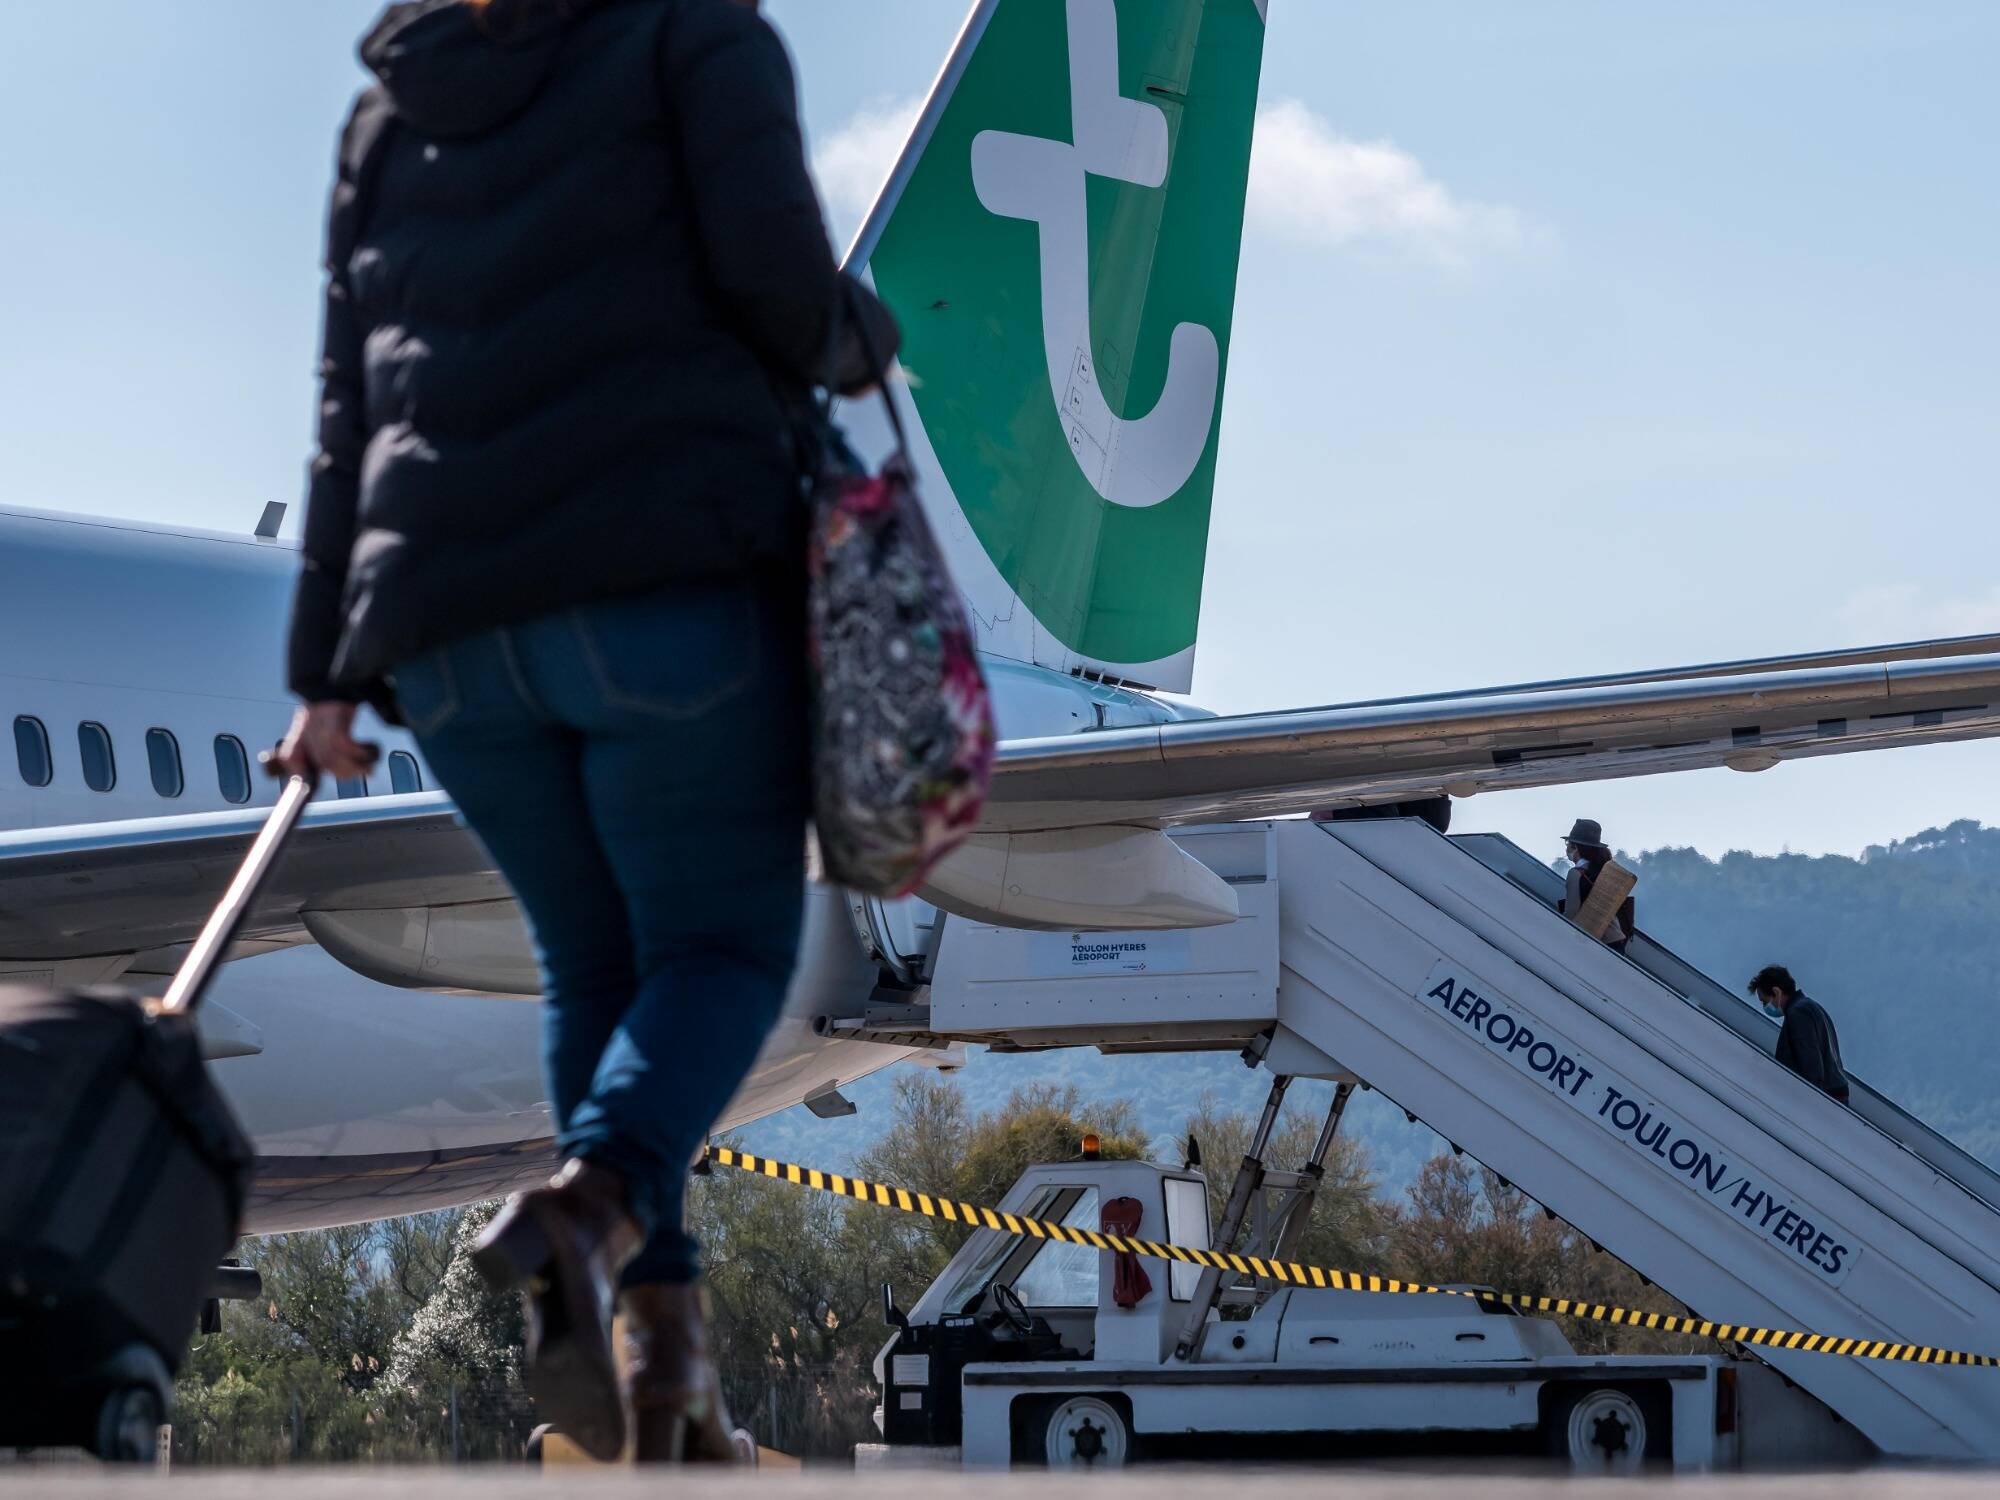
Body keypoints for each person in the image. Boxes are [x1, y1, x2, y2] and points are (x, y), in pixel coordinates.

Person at [277, 0, 897, 1464]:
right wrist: (865, 340)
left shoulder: (389, 104)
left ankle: (663, 1388)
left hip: (441, 637)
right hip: (655, 582)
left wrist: (322, 679)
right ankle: (590, 1202)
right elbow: (778, 283)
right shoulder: (694, 34)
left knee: (596, 972)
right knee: (731, 952)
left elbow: (342, 412)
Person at [1747, 965, 1851, 1104]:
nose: (1765, 1007)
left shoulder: (1797, 1014)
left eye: (1764, 1001)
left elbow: (1811, 1065)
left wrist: (1809, 1104)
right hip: (1835, 1092)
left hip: (1824, 1099)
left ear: (1776, 992)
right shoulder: (1811, 1006)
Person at [1560, 818, 1635, 950]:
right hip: (1617, 941)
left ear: (1575, 847)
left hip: (1599, 943)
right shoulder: (1604, 871)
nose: (1566, 847)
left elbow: (1571, 914)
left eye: (1568, 843)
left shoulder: (1576, 874)